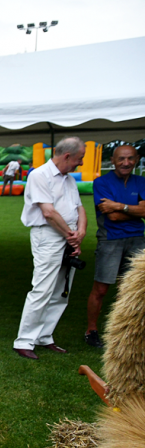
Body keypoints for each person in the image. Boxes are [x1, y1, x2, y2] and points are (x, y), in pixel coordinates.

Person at [13, 137, 88, 360]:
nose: (80, 163)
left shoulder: (69, 180)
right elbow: (48, 212)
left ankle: (45, 336)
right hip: (48, 236)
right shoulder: (39, 175)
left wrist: (80, 233)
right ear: (67, 156)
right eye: (79, 158)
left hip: (67, 236)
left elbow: (80, 208)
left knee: (61, 291)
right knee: (42, 289)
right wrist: (71, 236)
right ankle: (24, 341)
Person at [84, 145, 145, 348]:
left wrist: (119, 205)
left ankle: (123, 332)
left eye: (130, 158)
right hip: (110, 239)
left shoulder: (141, 181)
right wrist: (136, 210)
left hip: (137, 239)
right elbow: (112, 216)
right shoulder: (102, 182)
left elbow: (118, 211)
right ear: (113, 160)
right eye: (121, 159)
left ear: (136, 159)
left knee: (129, 290)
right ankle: (91, 330)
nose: (126, 163)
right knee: (101, 288)